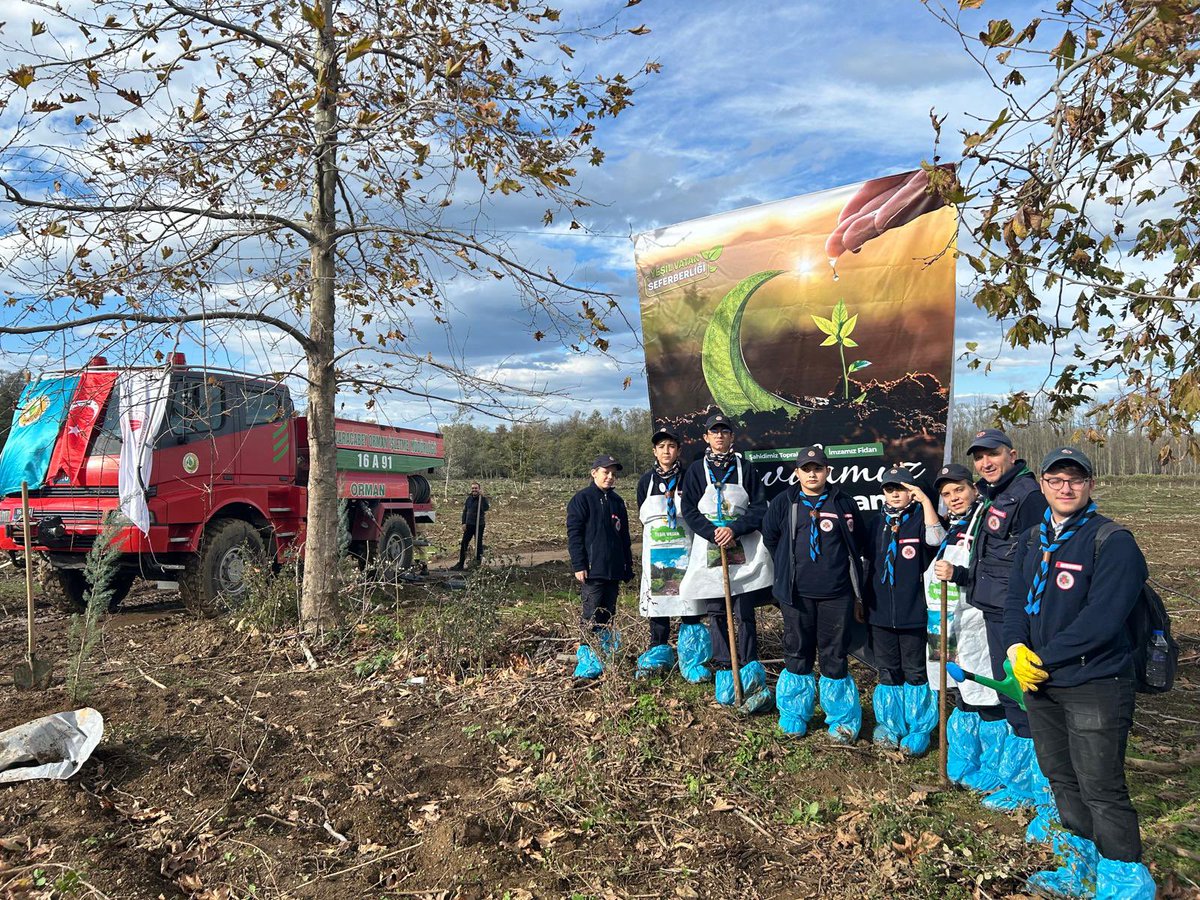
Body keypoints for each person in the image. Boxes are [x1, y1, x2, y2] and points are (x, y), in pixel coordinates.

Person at [1005, 447, 1155, 899]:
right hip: (1040, 685)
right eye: (1056, 479)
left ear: (1090, 485)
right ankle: (1081, 869)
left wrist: (1043, 658)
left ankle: (1123, 884)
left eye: (1075, 479)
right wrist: (1015, 648)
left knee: (1101, 787)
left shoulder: (1113, 541)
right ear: (1044, 485)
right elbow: (1014, 602)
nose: (1065, 488)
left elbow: (1102, 620)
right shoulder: (1033, 539)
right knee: (1061, 777)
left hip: (1095, 685)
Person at [964, 428, 1050, 812]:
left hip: (1016, 612)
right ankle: (1017, 779)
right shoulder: (995, 494)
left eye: (992, 454)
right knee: (1008, 691)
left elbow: (1037, 560)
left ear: (1012, 454)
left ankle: (1036, 786)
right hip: (995, 606)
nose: (985, 463)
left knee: (1022, 695)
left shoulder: (1028, 496)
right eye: (979, 457)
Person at [761, 446, 867, 741]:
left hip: (837, 594)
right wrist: (786, 565)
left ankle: (842, 718)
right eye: (806, 469)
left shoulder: (843, 502)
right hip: (796, 595)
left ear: (827, 471)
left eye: (817, 468)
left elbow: (858, 541)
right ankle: (795, 713)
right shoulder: (785, 502)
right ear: (797, 473)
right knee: (797, 651)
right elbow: (770, 536)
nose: (812, 473)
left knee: (834, 654)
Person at [679, 412, 775, 711]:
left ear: (732, 437)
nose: (720, 436)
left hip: (741, 546)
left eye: (724, 431)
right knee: (716, 610)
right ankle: (724, 669)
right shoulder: (696, 471)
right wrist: (713, 533)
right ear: (706, 437)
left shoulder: (745, 468)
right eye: (714, 432)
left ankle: (748, 666)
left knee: (743, 609)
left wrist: (734, 529)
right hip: (709, 549)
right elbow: (690, 511)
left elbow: (760, 507)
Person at [929, 463, 1002, 791]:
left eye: (959, 489)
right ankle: (963, 761)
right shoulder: (954, 526)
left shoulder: (986, 521)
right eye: (947, 493)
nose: (953, 497)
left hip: (973, 623)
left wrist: (958, 574)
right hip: (943, 622)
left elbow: (996, 572)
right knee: (955, 687)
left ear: (973, 488)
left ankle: (993, 766)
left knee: (981, 691)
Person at [864, 466, 944, 755]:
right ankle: (889, 726)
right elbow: (867, 564)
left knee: (915, 672)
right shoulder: (875, 523)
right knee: (888, 671)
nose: (895, 493)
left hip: (913, 614)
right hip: (880, 613)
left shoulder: (923, 520)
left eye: (901, 488)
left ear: (912, 492)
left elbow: (937, 542)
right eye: (889, 488)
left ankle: (919, 728)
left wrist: (925, 503)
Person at [634, 427, 711, 681]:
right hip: (656, 556)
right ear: (654, 452)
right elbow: (642, 515)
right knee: (659, 607)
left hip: (686, 556)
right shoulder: (646, 482)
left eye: (671, 446)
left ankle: (692, 660)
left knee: (689, 605)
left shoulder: (689, 478)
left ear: (678, 451)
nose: (666, 451)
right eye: (661, 447)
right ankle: (659, 655)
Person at [566, 455, 634, 679]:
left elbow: (624, 536)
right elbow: (574, 534)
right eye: (606, 472)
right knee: (590, 614)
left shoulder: (617, 501)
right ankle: (587, 661)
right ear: (594, 472)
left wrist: (627, 565)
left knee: (608, 614)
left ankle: (606, 657)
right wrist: (579, 564)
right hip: (592, 571)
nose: (610, 476)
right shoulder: (582, 499)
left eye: (613, 473)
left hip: (613, 570)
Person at [451, 482, 489, 570]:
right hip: (469, 525)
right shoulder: (469, 499)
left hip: (479, 525)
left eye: (476, 488)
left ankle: (478, 564)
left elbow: (486, 508)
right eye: (473, 488)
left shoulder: (482, 499)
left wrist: (483, 498)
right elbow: (465, 511)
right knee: (464, 543)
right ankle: (460, 564)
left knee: (478, 543)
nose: (474, 490)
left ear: (479, 489)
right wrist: (463, 523)